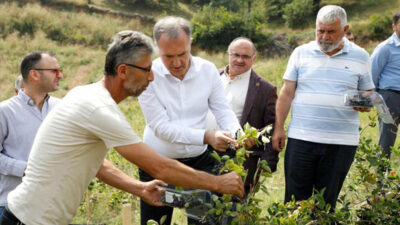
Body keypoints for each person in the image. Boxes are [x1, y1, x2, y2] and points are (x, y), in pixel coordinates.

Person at [1, 30, 244, 225]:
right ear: (123, 71)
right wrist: (217, 183)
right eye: (147, 70)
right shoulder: (99, 108)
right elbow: (158, 166)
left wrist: (139, 188)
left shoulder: (89, 96)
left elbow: (97, 163)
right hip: (28, 219)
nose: (152, 78)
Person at [138, 16, 244, 225]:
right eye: (168, 56)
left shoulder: (207, 70)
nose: (177, 63)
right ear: (157, 49)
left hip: (199, 163)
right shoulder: (147, 76)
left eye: (182, 54)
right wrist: (208, 137)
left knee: (203, 220)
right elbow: (161, 128)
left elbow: (222, 109)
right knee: (155, 221)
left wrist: (238, 134)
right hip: (158, 165)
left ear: (191, 44)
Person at [272, 5, 374, 209]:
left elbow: (368, 94)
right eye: (320, 30)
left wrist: (365, 103)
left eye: (331, 31)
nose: (324, 37)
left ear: (345, 30)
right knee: (294, 201)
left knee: (326, 204)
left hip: (341, 143)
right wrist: (279, 127)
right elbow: (286, 92)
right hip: (302, 138)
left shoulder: (361, 56)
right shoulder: (301, 53)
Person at [207, 37, 279, 195]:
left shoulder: (265, 89)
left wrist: (267, 164)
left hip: (237, 158)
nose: (239, 60)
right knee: (199, 205)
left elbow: (271, 128)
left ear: (254, 58)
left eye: (245, 56)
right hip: (203, 151)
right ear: (228, 54)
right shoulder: (211, 76)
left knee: (232, 209)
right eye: (235, 55)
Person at [0, 51, 63, 218]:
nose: (60, 75)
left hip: (53, 207)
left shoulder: (63, 108)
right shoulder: (4, 111)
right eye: (54, 71)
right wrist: (26, 169)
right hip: (11, 208)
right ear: (34, 74)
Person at [371, 11, 400, 159]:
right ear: (394, 26)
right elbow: (372, 74)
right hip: (389, 97)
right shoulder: (385, 48)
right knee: (386, 140)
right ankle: (380, 180)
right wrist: (377, 100)